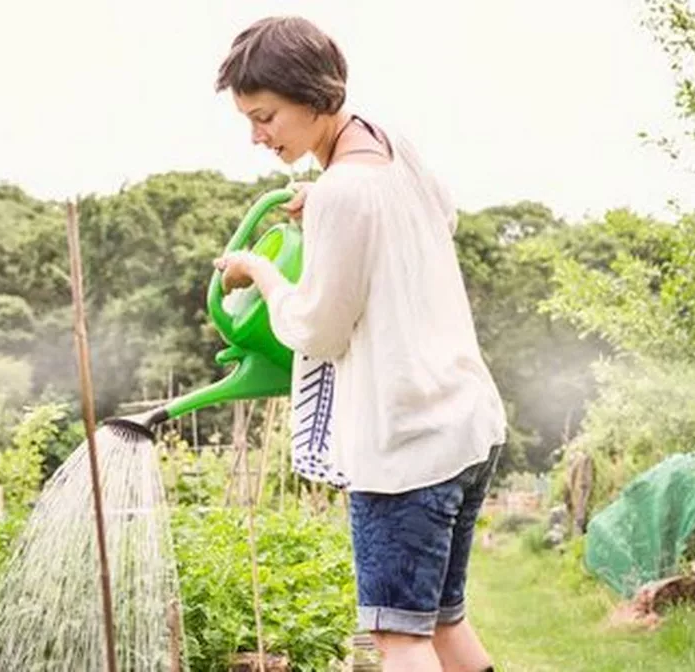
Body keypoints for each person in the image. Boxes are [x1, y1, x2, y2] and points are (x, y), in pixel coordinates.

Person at [212, 16, 507, 672]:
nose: (257, 136)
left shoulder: (343, 193)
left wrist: (254, 269)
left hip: (409, 441)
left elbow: (316, 329)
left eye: (266, 117)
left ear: (315, 99)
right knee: (443, 622)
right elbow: (441, 217)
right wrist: (323, 203)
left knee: (401, 639)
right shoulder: (386, 144)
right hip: (467, 421)